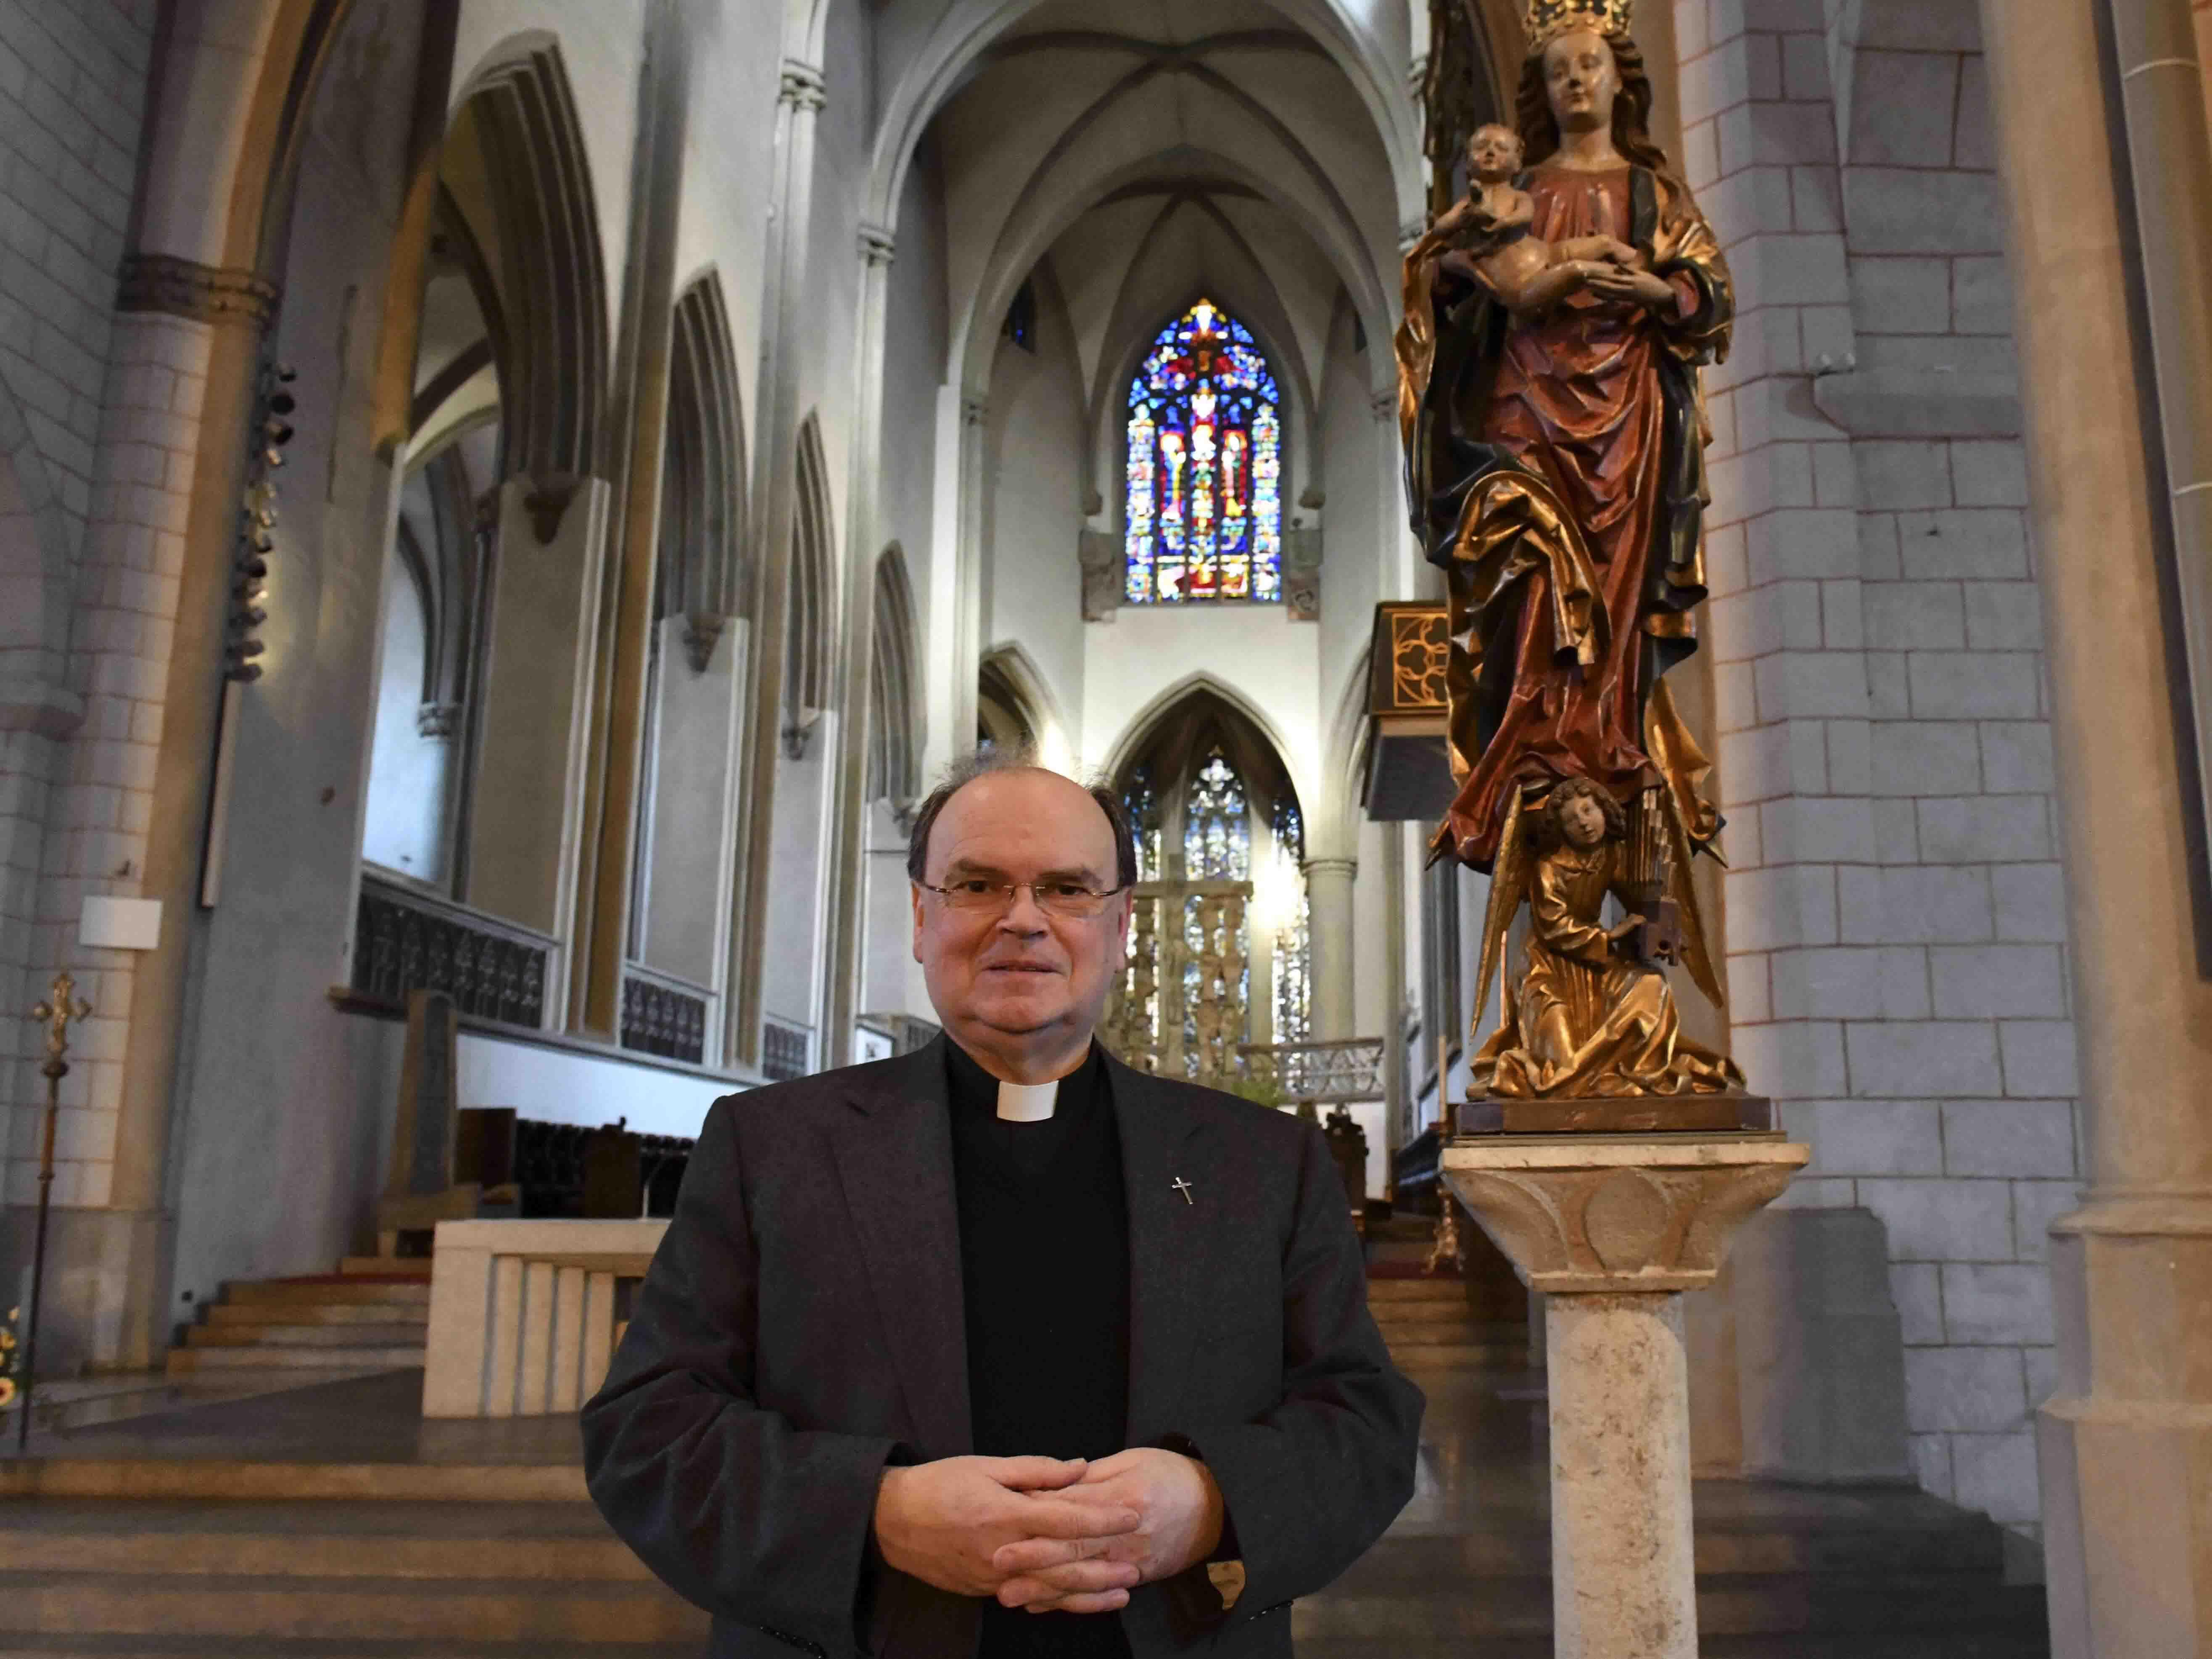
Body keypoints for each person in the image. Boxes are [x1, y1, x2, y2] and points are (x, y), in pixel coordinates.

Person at [581, 748, 1423, 1659]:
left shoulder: (1264, 1161)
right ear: (920, 913)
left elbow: (1366, 1420)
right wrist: (876, 1510)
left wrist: (1214, 1501)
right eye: (978, 883)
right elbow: (648, 1428)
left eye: (1067, 888)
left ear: (1122, 923)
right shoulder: (770, 1146)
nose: (1024, 920)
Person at [1395, 7, 1734, 879]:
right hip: (1525, 411)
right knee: (1534, 573)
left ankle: (1606, 743)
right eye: (1559, 72)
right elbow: (1444, 292)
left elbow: (1708, 294)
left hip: (1628, 420)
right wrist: (1453, 278)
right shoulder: (1517, 194)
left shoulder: (1658, 193)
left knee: (1614, 604)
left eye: (1591, 65)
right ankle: (1537, 756)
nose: (1577, 81)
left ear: (1622, 77)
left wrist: (1655, 293)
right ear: (1542, 93)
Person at [1474, 774, 1741, 1099]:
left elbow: (1641, 893)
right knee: (1560, 1057)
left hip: (1598, 964)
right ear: (1561, 830)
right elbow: (1554, 927)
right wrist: (1611, 935)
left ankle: (1638, 1068)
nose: (1584, 823)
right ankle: (1584, 1082)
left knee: (1651, 987)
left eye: (1588, 810)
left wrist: (1662, 927)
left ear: (1605, 809)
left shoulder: (1613, 855)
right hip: (1548, 968)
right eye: (1572, 820)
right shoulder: (1548, 867)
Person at [1431, 122, 1643, 318]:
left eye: (1501, 148)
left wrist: (1505, 222)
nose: (1490, 152)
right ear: (1468, 162)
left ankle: (1646, 270)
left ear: (1517, 163)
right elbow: (1440, 230)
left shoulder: (1518, 195)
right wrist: (1462, 218)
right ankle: (1628, 285)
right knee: (1578, 270)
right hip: (1525, 286)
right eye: (1481, 147)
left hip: (1546, 254)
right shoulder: (1467, 204)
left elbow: (1525, 215)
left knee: (1604, 243)